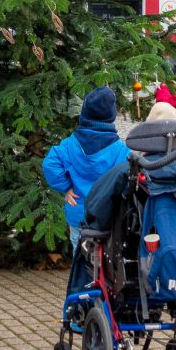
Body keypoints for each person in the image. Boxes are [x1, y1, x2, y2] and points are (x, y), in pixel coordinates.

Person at [42, 87, 131, 254]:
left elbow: (50, 164)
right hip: (107, 218)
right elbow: (127, 179)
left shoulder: (69, 145)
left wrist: (66, 186)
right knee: (108, 259)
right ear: (112, 116)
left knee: (80, 257)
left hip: (78, 214)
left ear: (84, 113)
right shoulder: (120, 150)